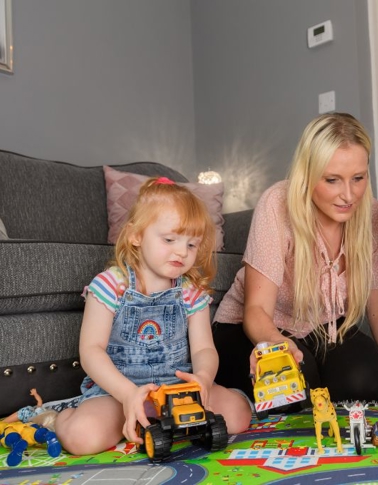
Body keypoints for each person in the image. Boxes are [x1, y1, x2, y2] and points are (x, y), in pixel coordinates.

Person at [213, 112, 378, 403]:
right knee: (297, 388)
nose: (349, 195)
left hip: (325, 329)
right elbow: (256, 311)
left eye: (358, 178)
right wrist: (280, 346)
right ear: (307, 175)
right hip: (256, 329)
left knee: (375, 381)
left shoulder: (375, 217)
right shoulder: (276, 204)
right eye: (332, 180)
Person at [55, 177, 252, 455]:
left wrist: (204, 378)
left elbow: (204, 348)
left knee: (238, 417)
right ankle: (57, 415)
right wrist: (127, 394)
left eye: (192, 244)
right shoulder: (111, 285)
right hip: (119, 391)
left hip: (177, 389)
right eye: (170, 239)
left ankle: (159, 421)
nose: (182, 252)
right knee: (81, 438)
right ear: (136, 235)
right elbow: (91, 351)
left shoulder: (190, 291)